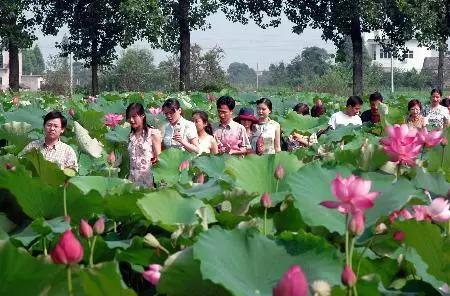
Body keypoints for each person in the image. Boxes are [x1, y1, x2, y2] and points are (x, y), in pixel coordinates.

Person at [126, 103, 161, 188]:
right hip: (133, 179)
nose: (131, 120)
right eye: (129, 117)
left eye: (134, 116)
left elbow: (159, 159)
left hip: (148, 180)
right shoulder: (131, 136)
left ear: (143, 116)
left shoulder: (153, 133)